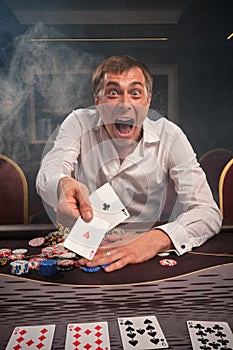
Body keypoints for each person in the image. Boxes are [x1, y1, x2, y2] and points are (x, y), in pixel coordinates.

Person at [36, 55, 222, 272]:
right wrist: (62, 185)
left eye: (135, 93)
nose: (125, 104)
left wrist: (155, 240)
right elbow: (49, 171)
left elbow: (207, 211)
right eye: (113, 93)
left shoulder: (170, 135)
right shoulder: (78, 122)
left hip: (147, 253)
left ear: (148, 101)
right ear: (97, 101)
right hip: (88, 248)